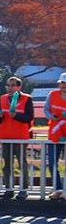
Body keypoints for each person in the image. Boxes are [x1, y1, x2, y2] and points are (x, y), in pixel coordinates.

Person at [0, 76, 33, 200]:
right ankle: (8, 188)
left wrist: (16, 115)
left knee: (22, 163)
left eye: (12, 85)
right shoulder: (2, 98)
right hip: (6, 135)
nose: (9, 88)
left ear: (19, 87)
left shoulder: (27, 99)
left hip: (20, 136)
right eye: (8, 85)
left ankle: (23, 189)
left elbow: (29, 117)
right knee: (7, 164)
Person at [44, 72, 66, 200]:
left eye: (65, 83)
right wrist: (50, 116)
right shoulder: (52, 94)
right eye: (62, 83)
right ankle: (57, 188)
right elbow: (46, 109)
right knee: (52, 162)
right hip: (55, 133)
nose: (63, 86)